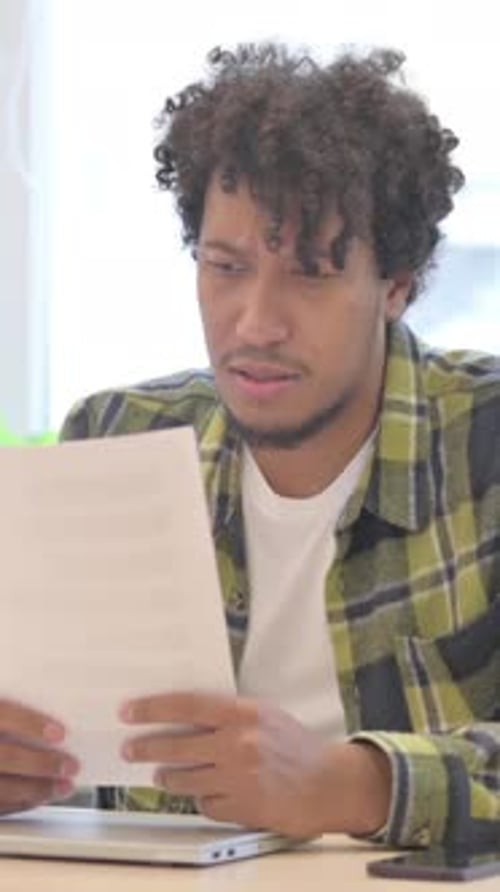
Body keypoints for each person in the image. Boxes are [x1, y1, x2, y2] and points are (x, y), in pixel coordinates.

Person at [0, 43, 498, 849]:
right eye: (224, 267)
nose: (255, 322)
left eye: (310, 275)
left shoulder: (485, 437)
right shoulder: (115, 438)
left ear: (398, 286)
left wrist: (350, 784)